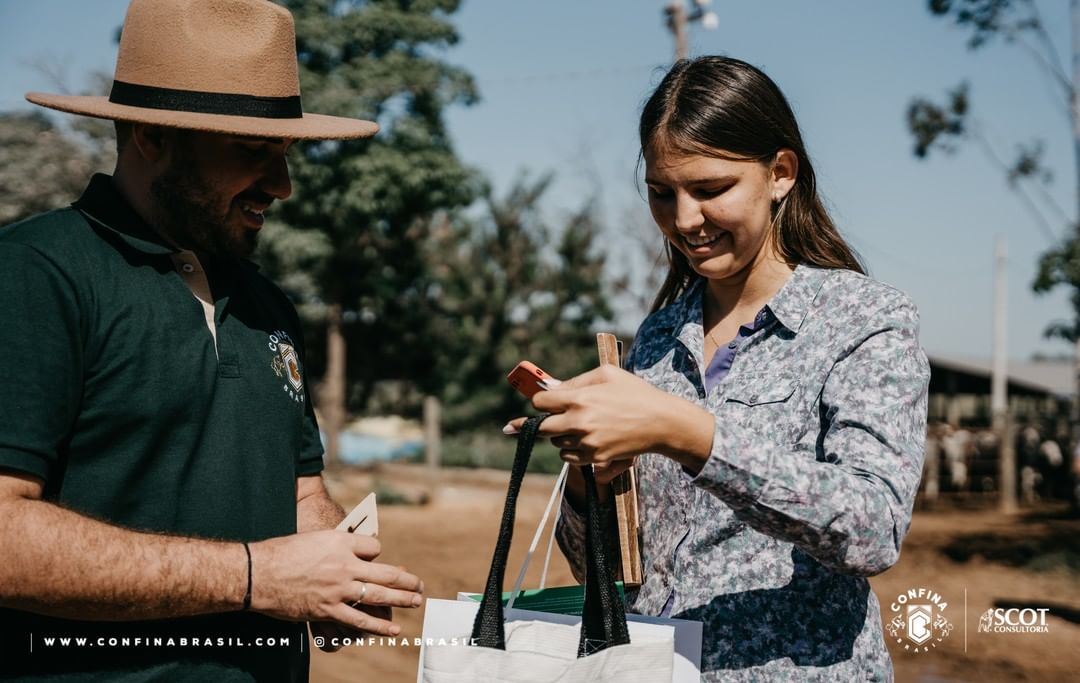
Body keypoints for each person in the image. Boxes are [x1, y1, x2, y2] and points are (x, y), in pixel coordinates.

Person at [0, 0, 422, 680]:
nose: (282, 185)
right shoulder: (33, 274)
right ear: (150, 135)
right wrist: (255, 576)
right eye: (252, 150)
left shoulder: (266, 303)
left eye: (285, 152)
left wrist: (339, 568)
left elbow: (301, 491)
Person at [506, 56, 930, 680]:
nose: (682, 220)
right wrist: (590, 481)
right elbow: (608, 571)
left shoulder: (867, 320)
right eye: (661, 192)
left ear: (780, 174)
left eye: (709, 190)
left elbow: (873, 529)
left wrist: (686, 434)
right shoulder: (655, 335)